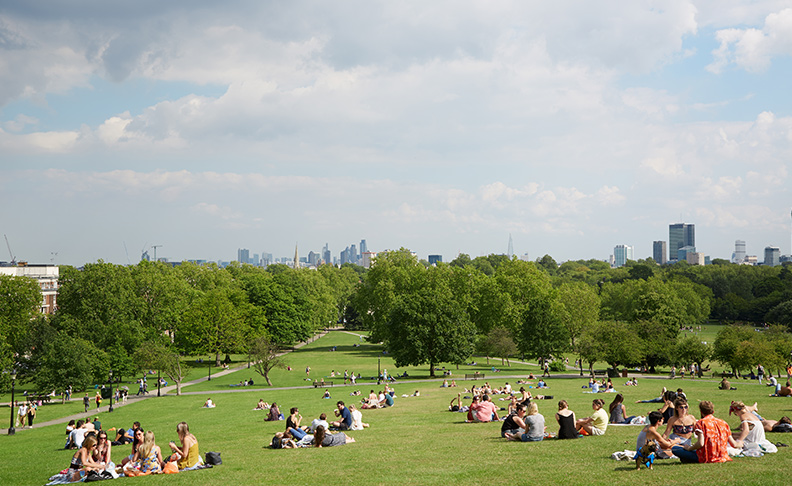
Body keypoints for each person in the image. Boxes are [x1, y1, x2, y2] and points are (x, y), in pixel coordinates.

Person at [671, 400, 736, 463]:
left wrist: (689, 448)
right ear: (713, 411)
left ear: (701, 411)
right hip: (722, 455)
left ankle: (688, 459)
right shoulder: (723, 423)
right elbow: (734, 444)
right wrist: (741, 443)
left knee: (675, 449)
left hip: (706, 456)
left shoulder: (701, 423)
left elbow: (700, 443)